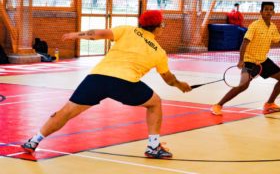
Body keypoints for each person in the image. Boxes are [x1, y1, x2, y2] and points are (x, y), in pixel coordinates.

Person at [21, 10, 192, 159]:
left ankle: (33, 141)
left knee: (66, 111)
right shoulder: (158, 51)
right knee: (155, 103)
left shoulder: (127, 30)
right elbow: (168, 78)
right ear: (158, 27)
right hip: (124, 83)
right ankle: (153, 146)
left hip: (97, 78)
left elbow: (99, 33)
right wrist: (180, 85)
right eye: (163, 25)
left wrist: (76, 34)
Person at [211, 1, 280, 115]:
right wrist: (241, 60)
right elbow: (244, 42)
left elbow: (279, 39)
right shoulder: (255, 25)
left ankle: (269, 104)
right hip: (250, 61)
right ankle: (218, 105)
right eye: (266, 9)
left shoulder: (273, 27)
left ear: (274, 12)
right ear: (261, 12)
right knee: (243, 85)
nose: (268, 11)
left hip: (263, 60)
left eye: (270, 9)